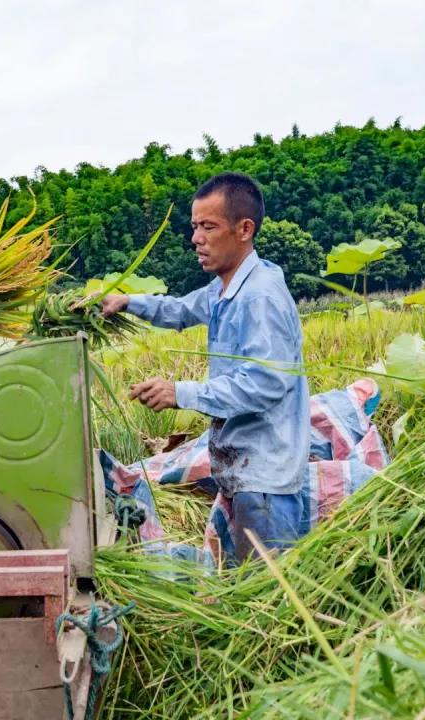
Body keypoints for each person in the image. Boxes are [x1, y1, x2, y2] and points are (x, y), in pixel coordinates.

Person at [101, 173, 310, 561]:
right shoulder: (225, 289)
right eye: (195, 226)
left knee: (268, 594)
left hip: (265, 478)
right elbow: (180, 309)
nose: (196, 238)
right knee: (246, 584)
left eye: (208, 226)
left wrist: (179, 393)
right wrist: (128, 302)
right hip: (244, 471)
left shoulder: (259, 297)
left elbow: (265, 382)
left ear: (244, 229)